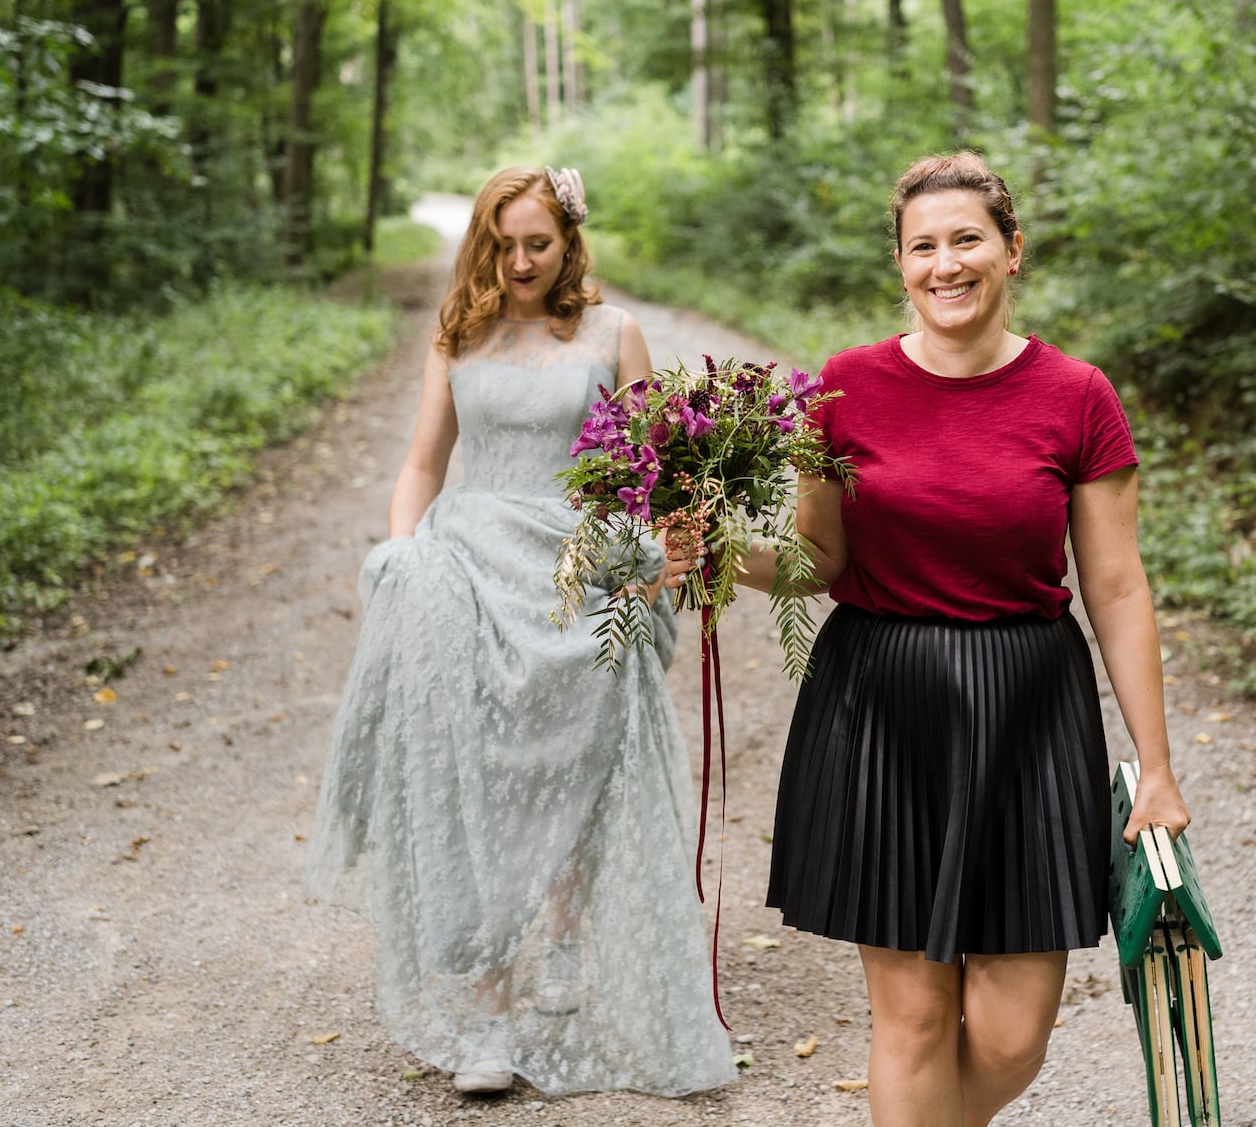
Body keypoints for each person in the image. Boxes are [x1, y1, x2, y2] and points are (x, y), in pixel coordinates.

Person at [735, 151, 1192, 1127]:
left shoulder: (1076, 396)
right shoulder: (843, 387)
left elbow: (1114, 586)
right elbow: (817, 559)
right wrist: (722, 553)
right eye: (923, 245)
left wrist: (1154, 764)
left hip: (1028, 709)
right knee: (910, 1018)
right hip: (880, 703)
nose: (945, 263)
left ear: (1011, 250)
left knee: (1009, 1033)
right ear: (900, 264)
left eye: (966, 239)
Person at [305, 166, 735, 1099]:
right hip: (469, 566)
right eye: (502, 244)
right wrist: (400, 550)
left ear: (569, 239)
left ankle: (569, 930)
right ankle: (491, 1006)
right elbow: (424, 463)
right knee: (485, 772)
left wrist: (673, 538)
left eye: (537, 242)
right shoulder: (457, 335)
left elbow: (653, 466)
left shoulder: (614, 333)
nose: (520, 260)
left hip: (581, 563)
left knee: (579, 751)